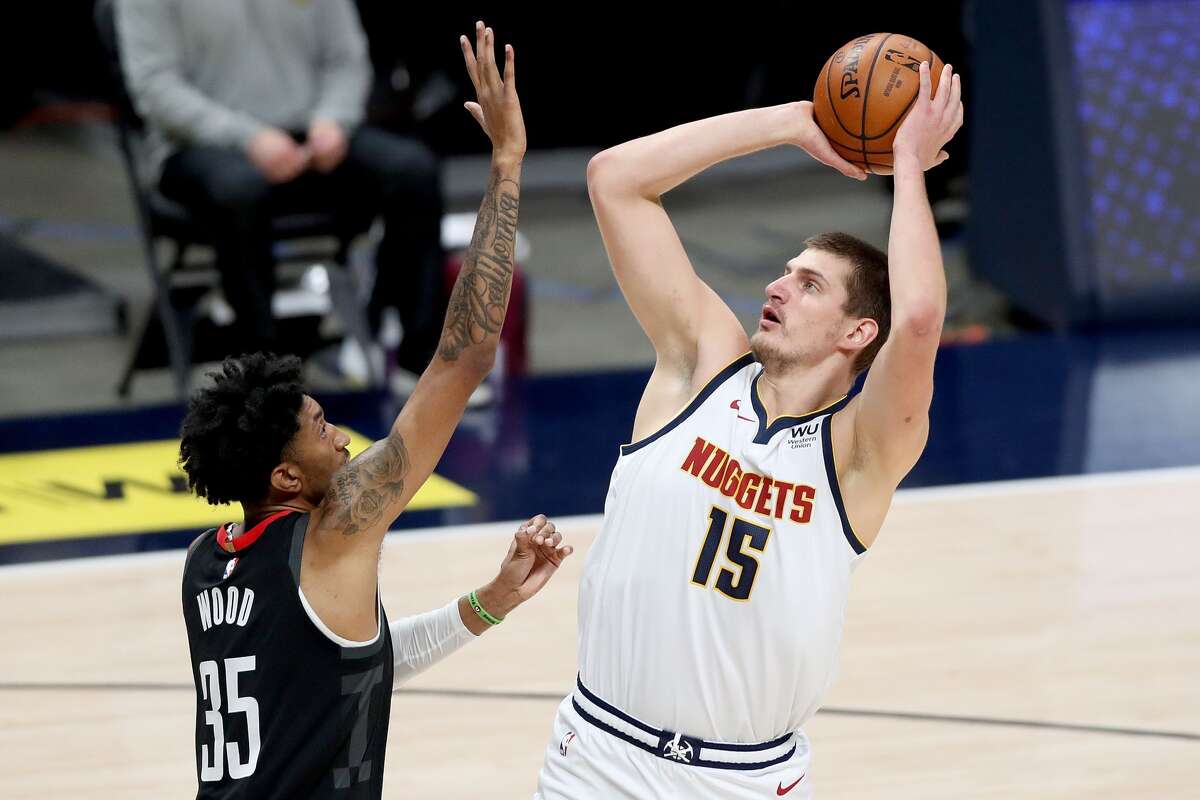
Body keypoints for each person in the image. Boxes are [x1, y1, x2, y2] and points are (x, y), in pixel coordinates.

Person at [535, 61, 963, 798]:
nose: (777, 286)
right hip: (598, 755)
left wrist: (907, 166)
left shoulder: (858, 453)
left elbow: (919, 317)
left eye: (809, 284)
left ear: (858, 332)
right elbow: (614, 179)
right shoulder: (700, 367)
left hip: (742, 780)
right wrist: (792, 122)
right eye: (786, 272)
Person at [177, 23, 559, 799]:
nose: (345, 441)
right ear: (285, 477)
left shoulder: (204, 564)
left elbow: (349, 668)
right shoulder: (334, 528)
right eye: (322, 431)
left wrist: (489, 603)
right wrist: (506, 164)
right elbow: (462, 358)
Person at [115, 0, 446, 373]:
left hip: (311, 133)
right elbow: (155, 85)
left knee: (412, 170)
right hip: (199, 146)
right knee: (240, 190)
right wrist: (246, 137)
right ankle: (264, 375)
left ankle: (420, 356)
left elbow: (345, 59)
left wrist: (333, 119)